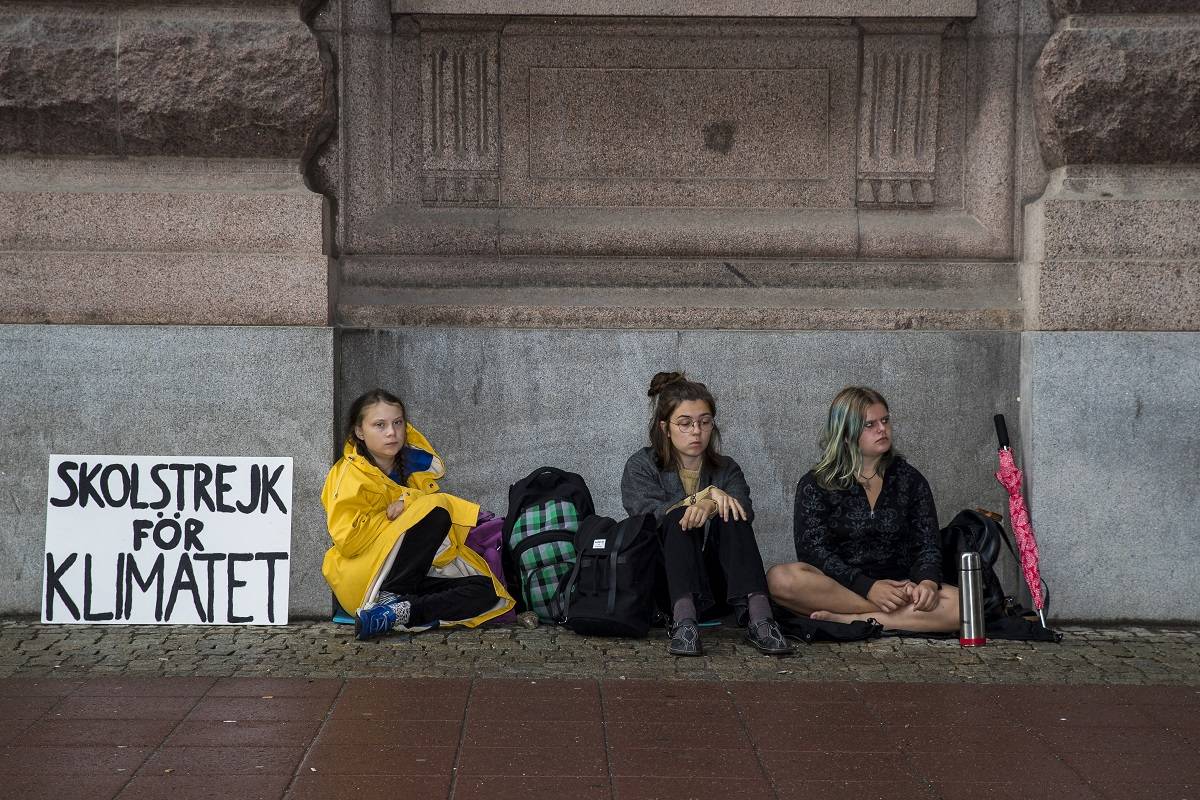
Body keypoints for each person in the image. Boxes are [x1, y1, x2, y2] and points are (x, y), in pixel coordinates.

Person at [621, 372, 792, 656]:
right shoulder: (642, 465)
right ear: (665, 427)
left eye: (704, 422)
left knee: (731, 512)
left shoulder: (726, 469)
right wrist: (704, 496)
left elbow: (745, 509)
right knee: (677, 518)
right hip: (665, 584)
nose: (696, 432)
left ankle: (761, 619)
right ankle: (684, 623)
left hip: (719, 587)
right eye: (685, 424)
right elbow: (649, 516)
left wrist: (711, 504)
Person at [321, 388, 513, 640]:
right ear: (359, 431)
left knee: (487, 590)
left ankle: (399, 613)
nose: (391, 432)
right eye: (379, 425)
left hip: (412, 578)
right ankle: (388, 599)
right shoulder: (348, 474)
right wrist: (402, 512)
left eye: (397, 423)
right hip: (365, 579)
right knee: (437, 510)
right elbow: (348, 540)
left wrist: (407, 501)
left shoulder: (414, 471)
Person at [767, 386, 958, 632]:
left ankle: (848, 620)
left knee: (964, 606)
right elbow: (813, 551)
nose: (882, 429)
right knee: (780, 579)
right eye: (870, 425)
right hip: (841, 587)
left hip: (901, 588)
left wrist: (928, 583)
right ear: (846, 434)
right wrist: (868, 588)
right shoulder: (817, 483)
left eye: (885, 421)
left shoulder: (910, 480)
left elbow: (928, 543)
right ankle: (889, 617)